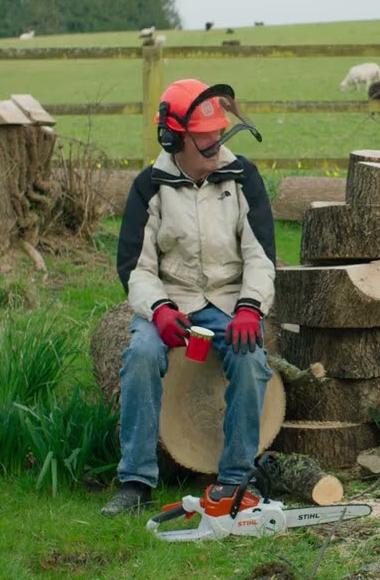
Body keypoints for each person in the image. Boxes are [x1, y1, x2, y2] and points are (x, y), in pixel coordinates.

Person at [100, 78, 276, 516]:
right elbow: (135, 266)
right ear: (174, 137)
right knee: (140, 354)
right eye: (204, 138)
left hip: (229, 301)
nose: (215, 143)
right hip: (171, 301)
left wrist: (250, 308)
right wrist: (158, 309)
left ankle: (236, 479)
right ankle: (135, 481)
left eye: (218, 134)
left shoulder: (243, 179)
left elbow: (261, 255)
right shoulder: (150, 186)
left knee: (252, 362)